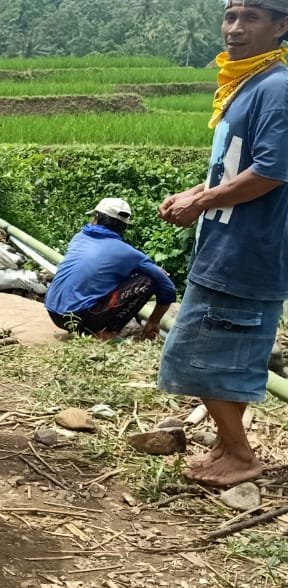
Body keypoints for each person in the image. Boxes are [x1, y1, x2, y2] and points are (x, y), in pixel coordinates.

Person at [156, 0, 288, 487]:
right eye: (230, 16)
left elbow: (272, 171)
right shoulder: (245, 85)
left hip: (247, 252)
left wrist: (201, 203)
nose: (234, 28)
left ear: (281, 26)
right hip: (226, 245)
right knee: (226, 355)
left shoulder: (276, 89)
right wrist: (193, 194)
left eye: (251, 18)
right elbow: (234, 166)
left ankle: (241, 454)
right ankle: (224, 446)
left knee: (194, 356)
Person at [46, 199, 176, 340]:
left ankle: (95, 330)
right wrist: (154, 320)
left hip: (53, 312)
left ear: (96, 218)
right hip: (81, 319)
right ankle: (109, 333)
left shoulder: (79, 237)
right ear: (124, 227)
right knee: (147, 281)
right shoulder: (129, 254)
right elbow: (168, 287)